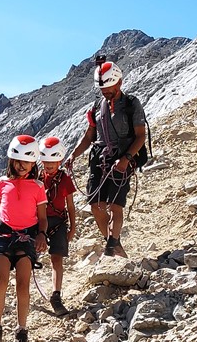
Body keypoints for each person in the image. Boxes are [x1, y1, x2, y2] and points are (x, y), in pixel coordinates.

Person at [68, 58, 146, 258]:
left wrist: (127, 159)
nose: (106, 92)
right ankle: (113, 243)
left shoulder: (131, 104)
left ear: (119, 82)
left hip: (122, 157)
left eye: (110, 88)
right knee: (96, 206)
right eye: (103, 89)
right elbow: (89, 137)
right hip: (100, 159)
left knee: (115, 204)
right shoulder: (96, 108)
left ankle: (112, 246)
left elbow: (140, 136)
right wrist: (74, 155)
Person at [0, 135, 48, 342]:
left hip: (26, 238)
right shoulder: (2, 183)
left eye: (25, 162)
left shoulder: (38, 186)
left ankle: (21, 332)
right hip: (4, 236)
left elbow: (42, 217)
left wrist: (42, 235)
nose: (20, 165)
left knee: (23, 284)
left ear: (33, 162)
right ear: (11, 161)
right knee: (1, 281)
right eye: (17, 161)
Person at [38, 137, 77, 316]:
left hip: (59, 222)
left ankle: (56, 294)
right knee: (27, 255)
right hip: (40, 220)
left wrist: (72, 227)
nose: (48, 166)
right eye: (46, 163)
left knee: (56, 259)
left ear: (59, 161)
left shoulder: (65, 180)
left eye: (51, 163)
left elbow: (70, 205)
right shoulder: (38, 177)